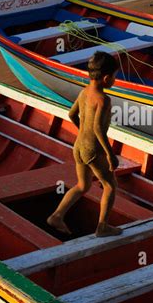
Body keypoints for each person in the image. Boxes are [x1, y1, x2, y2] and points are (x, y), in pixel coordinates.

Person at [47, 51, 122, 238]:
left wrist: (83, 131)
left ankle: (57, 215)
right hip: (93, 149)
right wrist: (110, 154)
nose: (114, 80)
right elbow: (98, 129)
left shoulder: (83, 92)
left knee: (82, 185)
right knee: (110, 186)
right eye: (114, 77)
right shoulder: (103, 99)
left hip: (79, 146)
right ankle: (102, 226)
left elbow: (72, 114)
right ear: (106, 78)